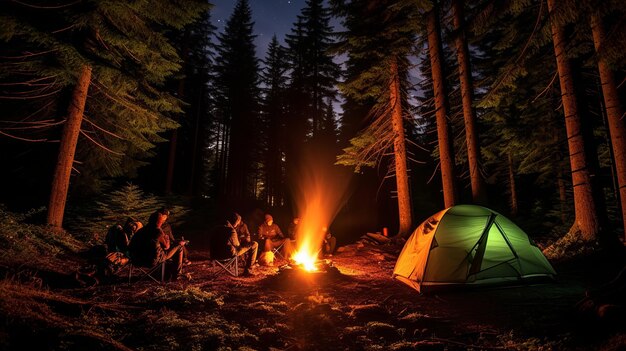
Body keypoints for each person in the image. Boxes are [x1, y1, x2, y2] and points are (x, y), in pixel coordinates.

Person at [128, 208, 187, 280]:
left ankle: (167, 271)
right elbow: (167, 247)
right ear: (159, 222)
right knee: (179, 246)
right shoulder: (157, 231)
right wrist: (167, 239)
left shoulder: (141, 230)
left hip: (137, 260)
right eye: (161, 221)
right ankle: (178, 274)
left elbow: (131, 246)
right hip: (152, 260)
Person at [209, 212, 258, 277]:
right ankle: (249, 269)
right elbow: (237, 246)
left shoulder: (215, 229)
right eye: (238, 222)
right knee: (254, 244)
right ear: (236, 222)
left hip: (215, 254)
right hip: (229, 254)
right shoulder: (231, 230)